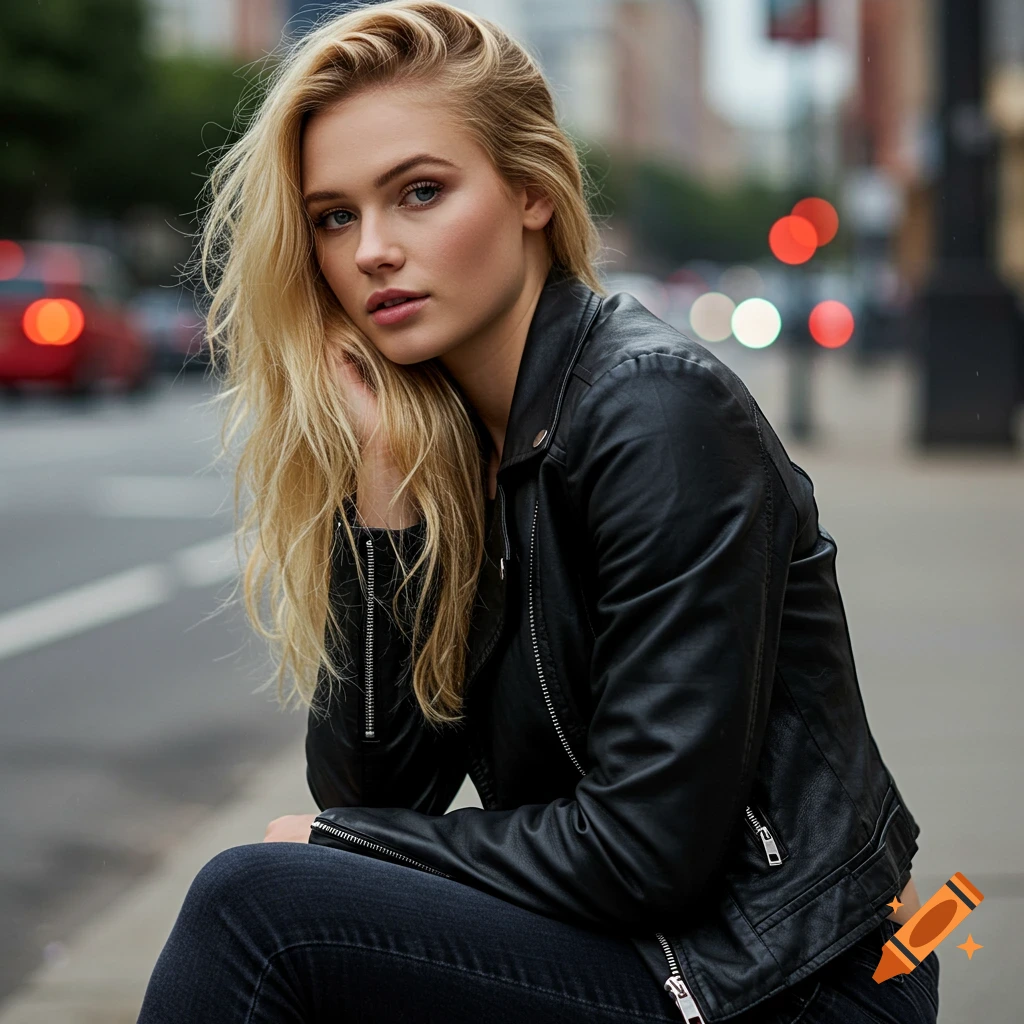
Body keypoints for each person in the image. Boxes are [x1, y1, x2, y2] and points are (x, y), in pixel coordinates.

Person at [137, 2, 940, 1021]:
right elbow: (371, 787)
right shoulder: (460, 435)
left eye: (419, 193)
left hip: (787, 978)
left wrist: (345, 845)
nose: (373, 249)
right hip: (651, 948)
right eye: (335, 216)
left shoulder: (653, 411)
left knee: (254, 909)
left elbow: (648, 852)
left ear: (529, 189)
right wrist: (384, 487)